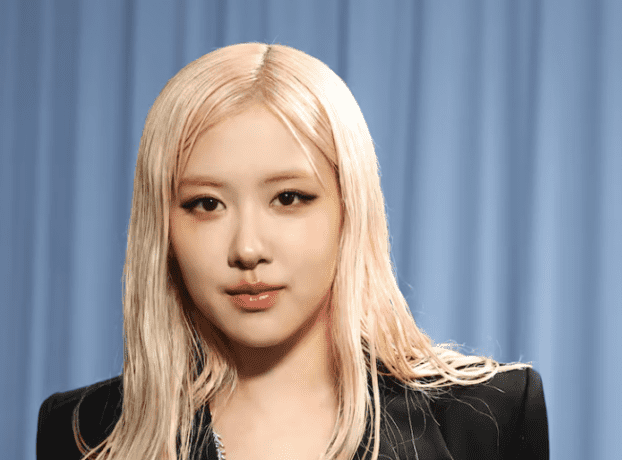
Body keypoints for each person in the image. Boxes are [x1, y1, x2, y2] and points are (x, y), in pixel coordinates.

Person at [36, 42, 548, 460]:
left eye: (288, 198)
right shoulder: (81, 431)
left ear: (350, 209)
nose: (247, 248)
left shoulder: (489, 415)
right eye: (207, 204)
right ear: (162, 229)